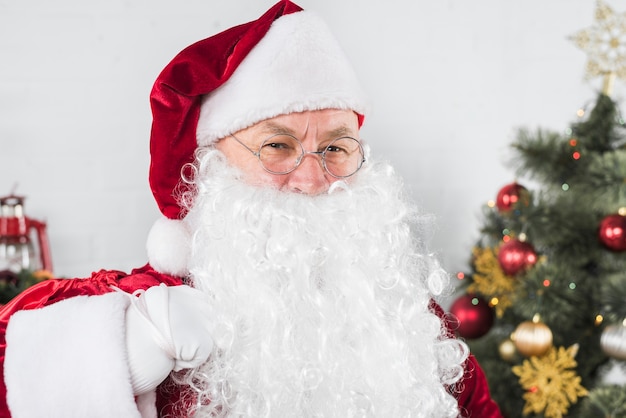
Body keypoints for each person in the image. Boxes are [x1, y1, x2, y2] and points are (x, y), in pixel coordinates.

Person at [0, 1, 502, 417]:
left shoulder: (405, 321)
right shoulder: (153, 311)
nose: (310, 181)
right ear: (209, 167)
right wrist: (111, 356)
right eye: (277, 146)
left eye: (335, 148)